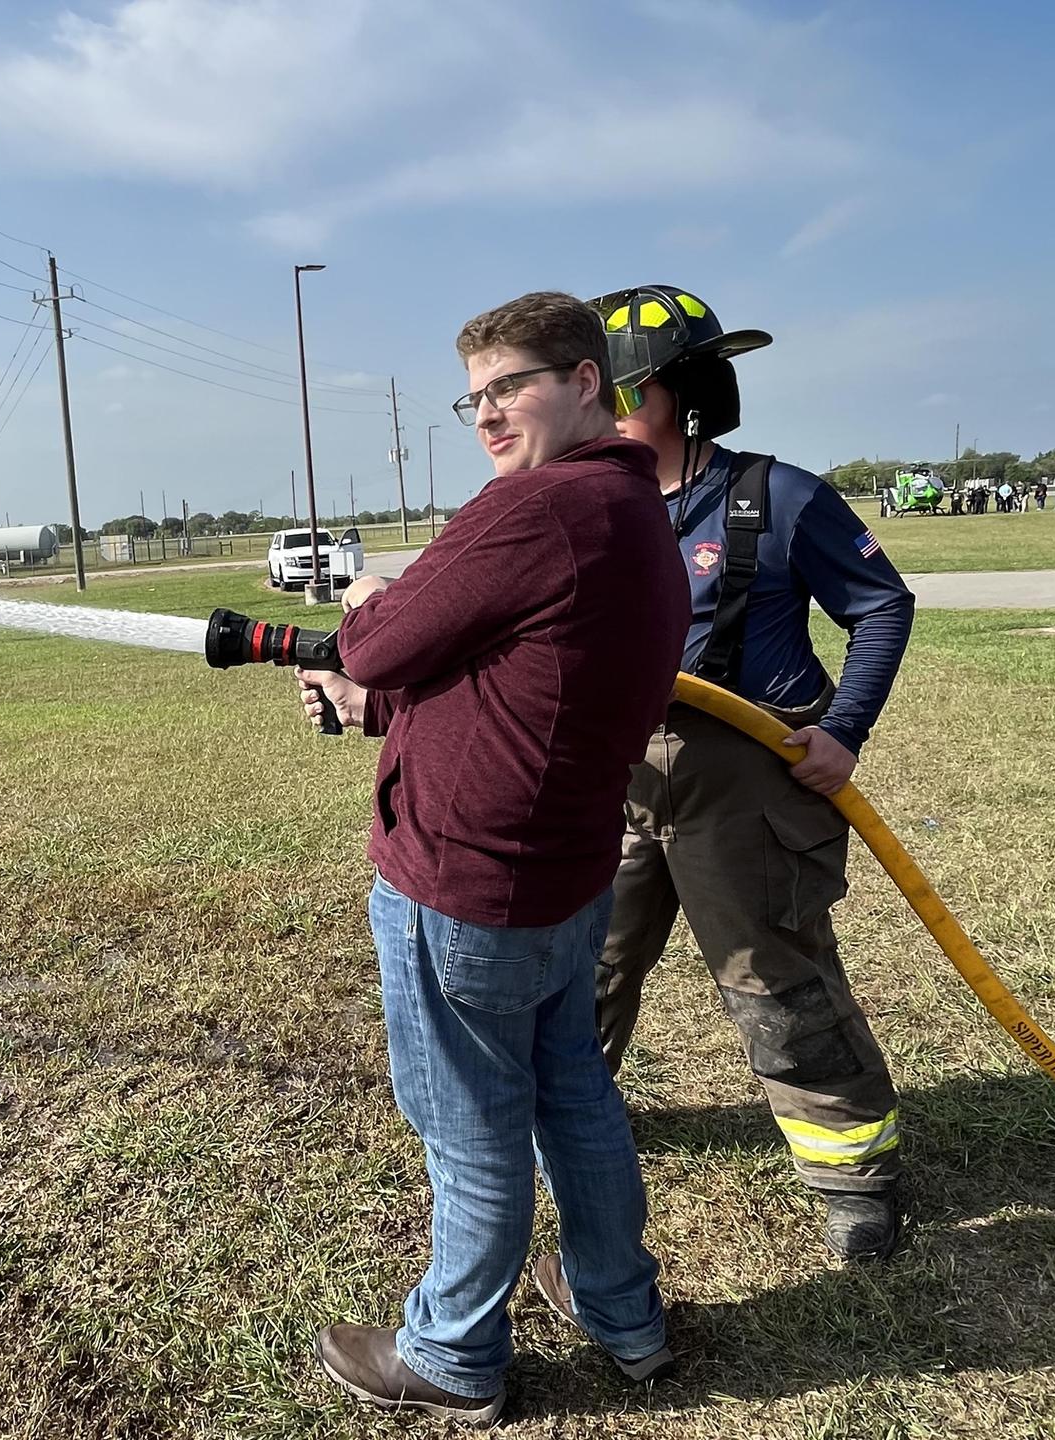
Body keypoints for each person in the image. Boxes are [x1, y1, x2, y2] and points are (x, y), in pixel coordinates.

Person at [296, 290, 690, 1424]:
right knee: (575, 1097)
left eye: (509, 385)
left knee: (468, 1126)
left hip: (467, 884)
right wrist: (384, 709)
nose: (486, 415)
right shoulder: (627, 507)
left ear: (583, 379)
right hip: (560, 874)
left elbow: (380, 639)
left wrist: (370, 601)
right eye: (472, 397)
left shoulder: (535, 510)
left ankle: (454, 1355)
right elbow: (525, 685)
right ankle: (625, 1314)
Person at [586, 286, 917, 1261]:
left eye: (612, 392)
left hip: (748, 781)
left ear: (680, 395)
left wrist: (844, 731)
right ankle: (566, 1123)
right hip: (615, 781)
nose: (593, 412)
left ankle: (856, 1177)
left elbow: (882, 607)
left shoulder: (778, 497)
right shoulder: (582, 511)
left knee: (775, 982)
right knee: (583, 969)